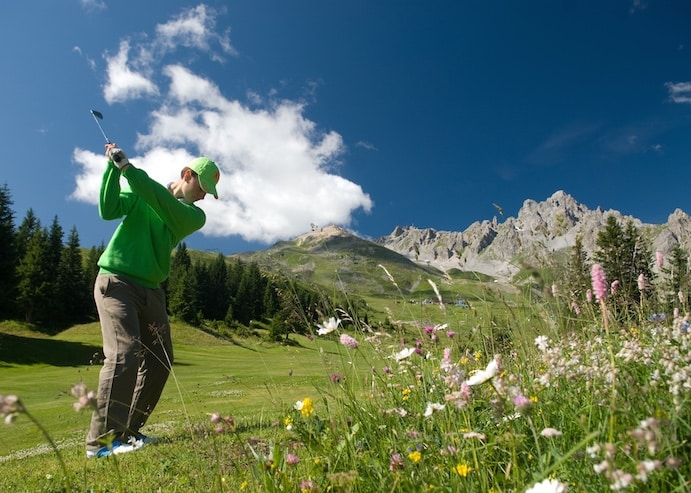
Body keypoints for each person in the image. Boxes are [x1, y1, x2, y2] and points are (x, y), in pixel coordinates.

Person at [86, 143, 220, 458]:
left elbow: (158, 199)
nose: (203, 196)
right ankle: (100, 443)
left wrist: (128, 170)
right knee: (124, 355)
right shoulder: (140, 191)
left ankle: (128, 432)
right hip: (117, 282)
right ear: (187, 175)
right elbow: (107, 210)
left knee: (160, 361)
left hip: (152, 291)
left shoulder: (192, 216)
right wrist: (112, 169)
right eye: (202, 187)